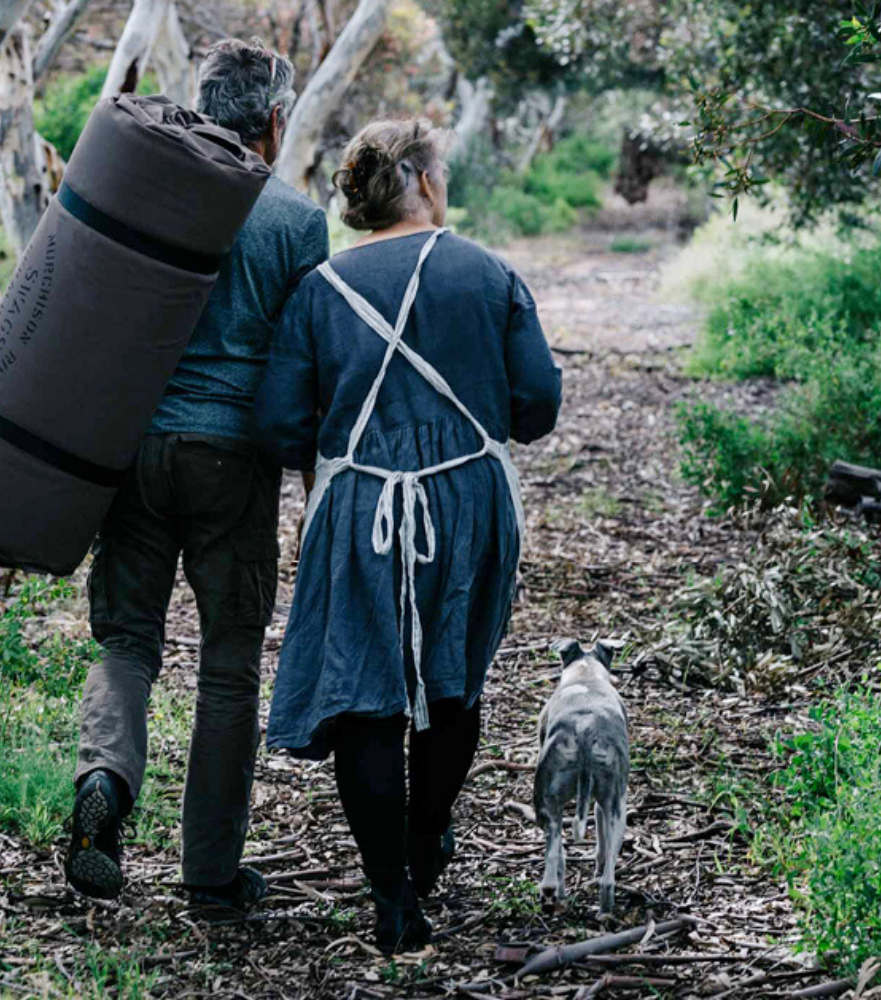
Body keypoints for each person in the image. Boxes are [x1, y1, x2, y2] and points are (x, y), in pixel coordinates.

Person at [252, 120, 562, 952]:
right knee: (452, 675)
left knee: (363, 694)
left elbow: (283, 425)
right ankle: (427, 840)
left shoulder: (321, 289)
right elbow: (538, 405)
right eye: (446, 171)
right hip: (467, 498)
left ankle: (392, 897)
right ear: (421, 178)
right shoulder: (488, 275)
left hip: (360, 508)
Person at [64, 40, 329, 912]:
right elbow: (304, 364)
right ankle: (210, 875)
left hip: (135, 451)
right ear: (274, 122)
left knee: (128, 641)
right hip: (233, 458)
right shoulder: (292, 219)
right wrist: (308, 481)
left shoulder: (149, 185)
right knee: (227, 664)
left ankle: (104, 784)